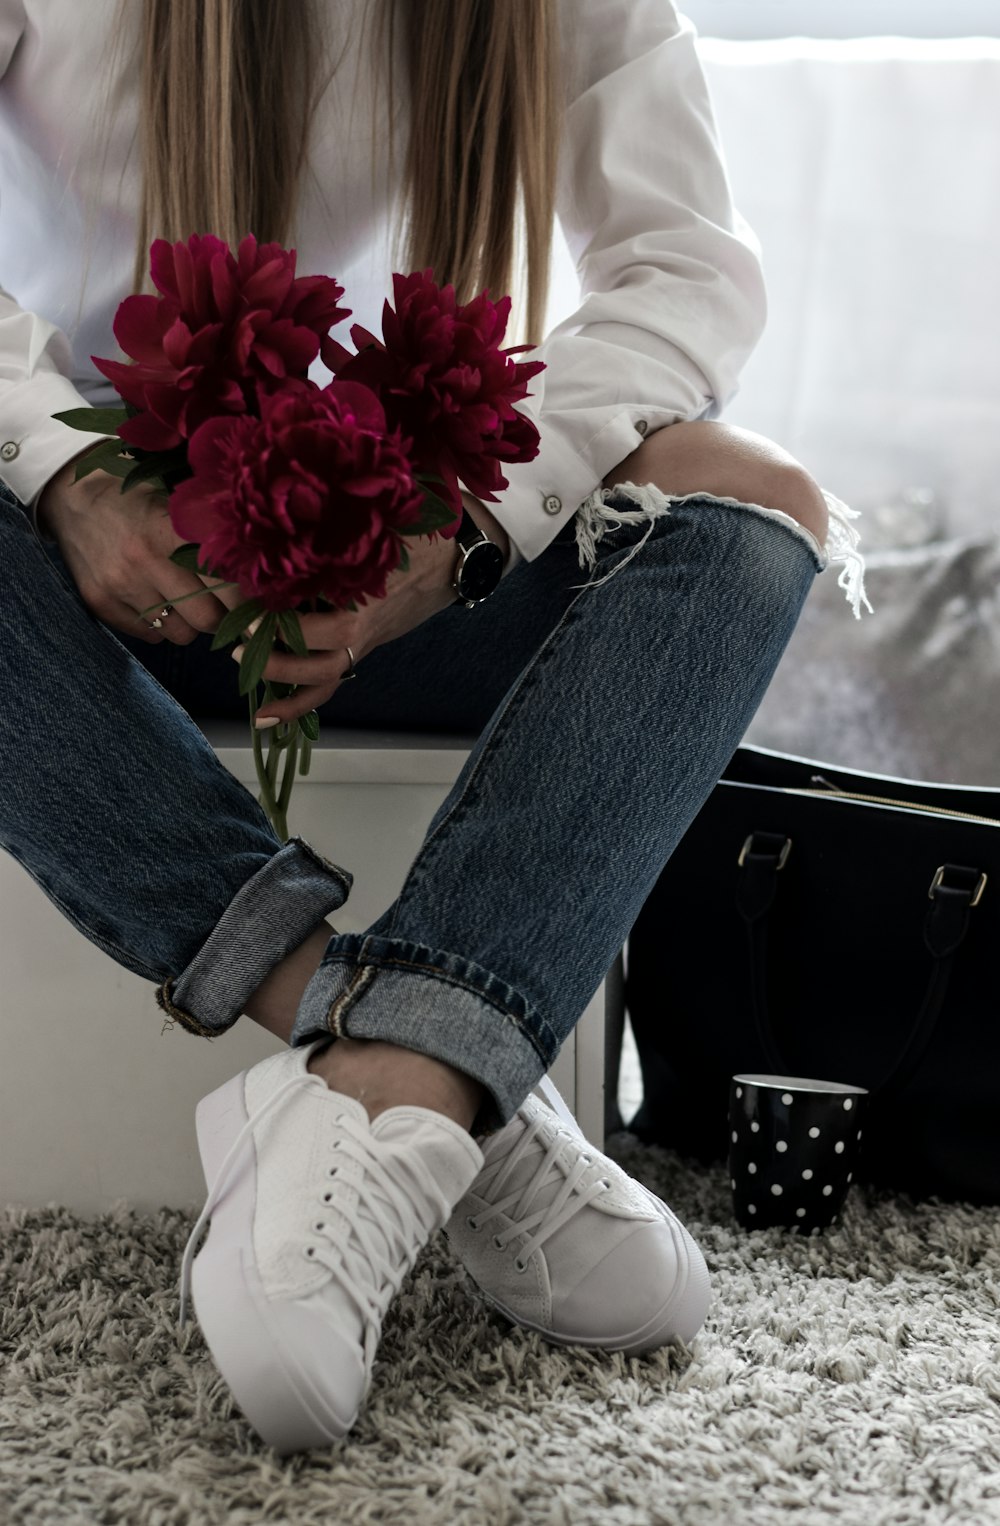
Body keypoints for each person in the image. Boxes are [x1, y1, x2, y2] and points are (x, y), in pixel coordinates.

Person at [0, 0, 866, 1454]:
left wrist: (456, 534)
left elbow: (685, 263)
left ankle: (385, 1090)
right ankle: (422, 1056)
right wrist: (59, 471)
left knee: (754, 498)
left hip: (372, 564)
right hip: (81, 577)